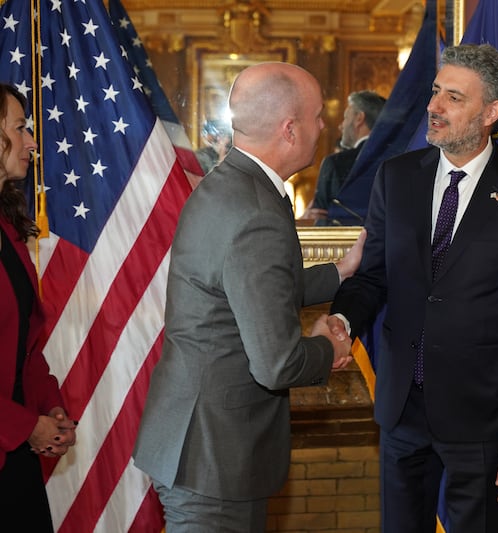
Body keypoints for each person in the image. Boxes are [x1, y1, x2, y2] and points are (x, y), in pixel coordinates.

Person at [328, 44, 498, 533]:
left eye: (453, 98)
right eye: (436, 91)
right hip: (402, 410)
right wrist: (342, 320)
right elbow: (373, 275)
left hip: (486, 419)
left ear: (492, 113)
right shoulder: (396, 178)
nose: (434, 106)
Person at [133, 63, 365, 532]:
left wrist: (338, 273)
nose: (324, 126)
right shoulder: (256, 209)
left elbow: (245, 286)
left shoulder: (231, 183)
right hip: (213, 458)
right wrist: (330, 346)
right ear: (290, 129)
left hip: (204, 446)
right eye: (317, 116)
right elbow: (277, 364)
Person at [0, 83, 78, 531]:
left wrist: (50, 408)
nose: (31, 142)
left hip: (14, 455)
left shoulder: (8, 225)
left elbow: (23, 346)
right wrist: (24, 425)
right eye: (20, 129)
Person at [302, 90, 386, 223]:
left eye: (346, 117)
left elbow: (319, 222)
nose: (341, 126)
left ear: (359, 118)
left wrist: (306, 220)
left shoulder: (335, 163)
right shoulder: (398, 161)